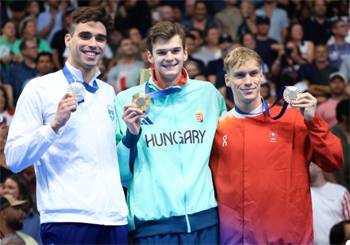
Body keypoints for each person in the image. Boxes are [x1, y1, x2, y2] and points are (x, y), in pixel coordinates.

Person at [4, 6, 128, 244]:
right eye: (85, 36)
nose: (93, 43)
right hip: (66, 218)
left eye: (100, 38)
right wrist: (53, 126)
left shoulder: (109, 92)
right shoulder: (39, 88)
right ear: (68, 39)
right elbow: (14, 159)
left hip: (114, 219)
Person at [210, 47, 343, 244]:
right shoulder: (217, 127)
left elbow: (334, 161)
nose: (248, 81)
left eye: (253, 73)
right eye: (239, 75)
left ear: (262, 75)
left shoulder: (292, 120)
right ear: (227, 80)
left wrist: (313, 120)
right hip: (235, 240)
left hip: (288, 239)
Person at [114, 21, 226, 244]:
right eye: (161, 52)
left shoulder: (207, 94)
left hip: (204, 218)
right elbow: (120, 172)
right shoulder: (127, 101)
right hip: (153, 223)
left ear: (185, 53)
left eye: (175, 50)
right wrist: (131, 136)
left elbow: (225, 149)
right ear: (149, 56)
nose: (169, 58)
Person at [310, 162, 350, 245]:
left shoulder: (341, 192)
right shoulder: (301, 195)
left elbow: (348, 222)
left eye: (309, 164)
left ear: (318, 166)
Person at [3, 174, 41, 244]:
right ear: (3, 214)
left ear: (22, 191)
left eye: (10, 188)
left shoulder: (36, 221)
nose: (5, 191)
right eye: (4, 187)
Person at [4, 38, 39, 105]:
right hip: (21, 106)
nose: (36, 50)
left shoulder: (44, 67)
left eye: (36, 47)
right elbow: (8, 87)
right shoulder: (14, 70)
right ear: (23, 51)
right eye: (33, 48)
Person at [331, 99, 350, 190]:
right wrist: (337, 189)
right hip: (337, 189)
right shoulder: (330, 135)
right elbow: (324, 168)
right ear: (344, 116)